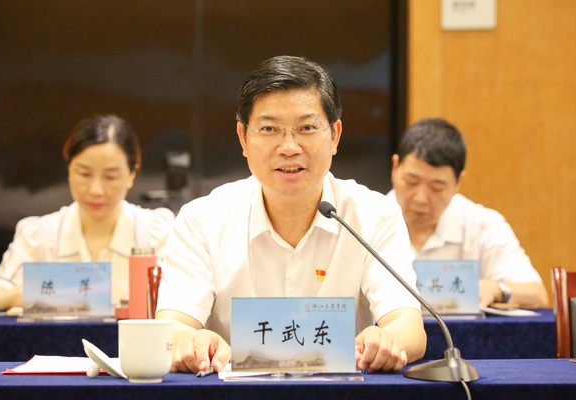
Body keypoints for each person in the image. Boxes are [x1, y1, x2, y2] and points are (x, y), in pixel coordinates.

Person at [156, 55, 426, 375]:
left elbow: (409, 326)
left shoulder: (374, 215)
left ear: (335, 135)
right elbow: (172, 327)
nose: (289, 147)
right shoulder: (202, 220)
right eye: (269, 129)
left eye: (306, 128)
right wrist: (193, 340)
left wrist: (387, 339)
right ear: (243, 138)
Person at [0, 114, 175, 311]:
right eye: (84, 174)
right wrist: (32, 295)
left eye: (110, 177)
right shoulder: (39, 234)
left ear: (131, 175)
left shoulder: (156, 232)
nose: (95, 190)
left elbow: (181, 302)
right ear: (69, 169)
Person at [388, 117, 548, 309]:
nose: (421, 198)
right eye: (412, 182)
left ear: (458, 183)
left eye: (437, 187)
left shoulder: (482, 224)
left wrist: (497, 289)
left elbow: (538, 295)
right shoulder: (364, 220)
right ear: (395, 168)